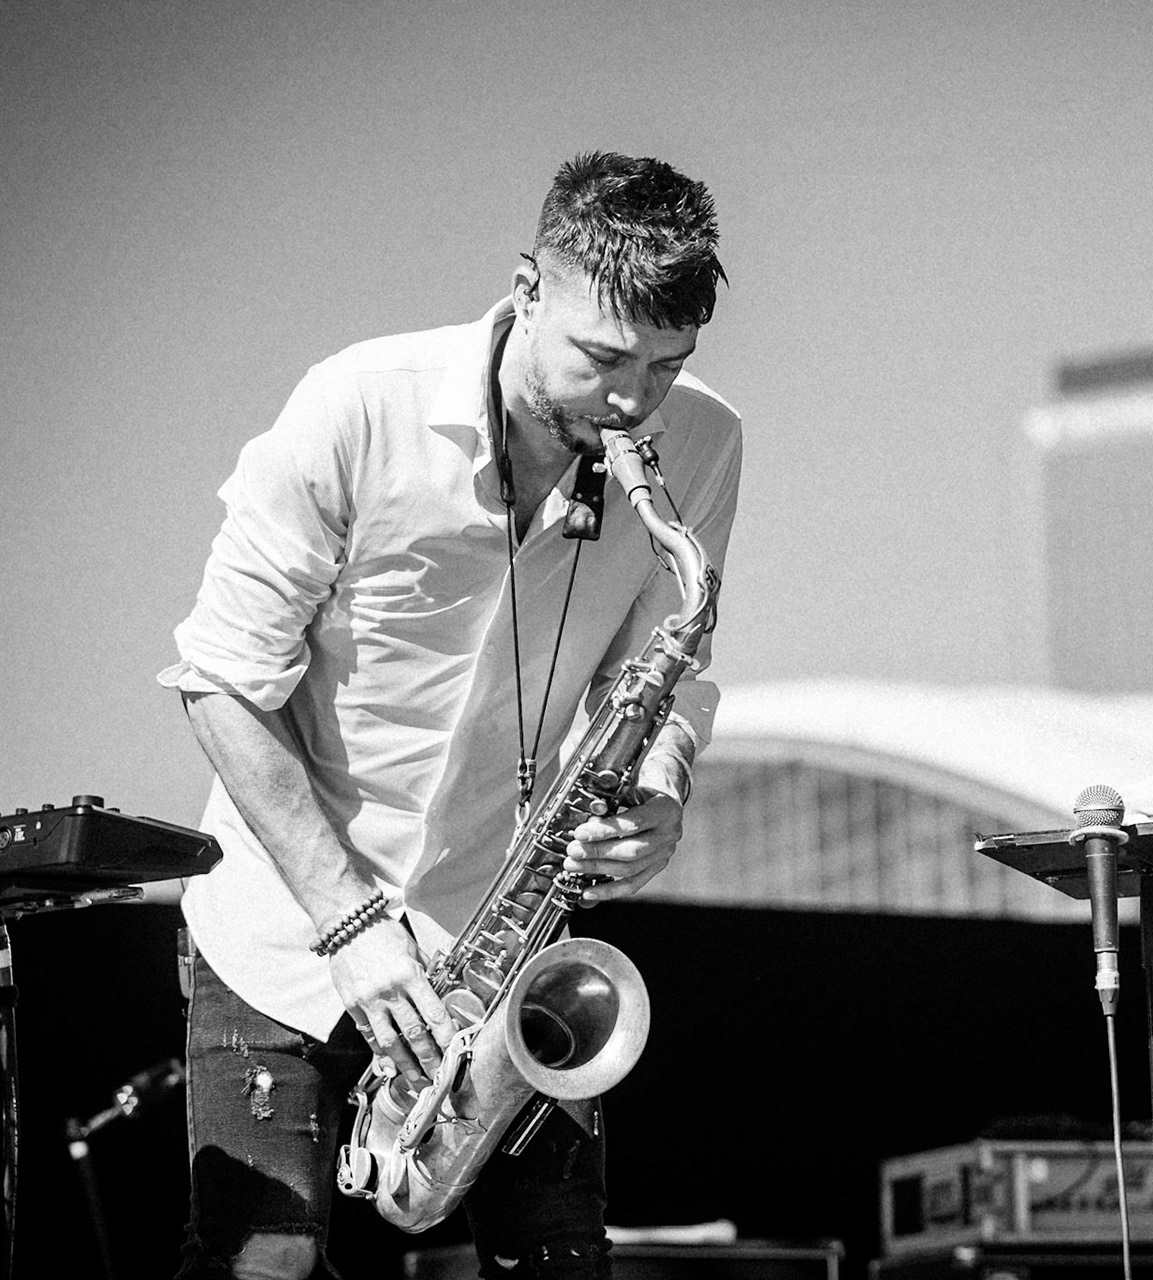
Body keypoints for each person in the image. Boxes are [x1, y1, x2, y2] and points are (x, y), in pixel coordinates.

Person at [159, 152, 741, 1280]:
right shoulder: (355, 407)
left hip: (498, 936)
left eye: (667, 366)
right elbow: (218, 679)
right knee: (262, 1261)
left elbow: (676, 670)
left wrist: (661, 785)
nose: (632, 402)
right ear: (527, 287)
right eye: (604, 357)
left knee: (560, 1264)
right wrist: (347, 923)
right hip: (285, 920)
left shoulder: (703, 443)